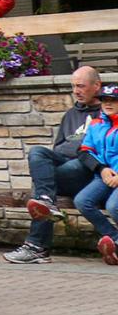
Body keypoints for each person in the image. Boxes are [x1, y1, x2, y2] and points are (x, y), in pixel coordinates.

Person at [8, 65, 104, 264]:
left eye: (81, 86)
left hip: (88, 171)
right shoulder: (71, 114)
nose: (76, 91)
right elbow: (58, 147)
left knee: (45, 186)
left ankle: (36, 247)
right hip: (65, 168)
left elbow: (98, 152)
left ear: (96, 86)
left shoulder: (107, 112)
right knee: (37, 153)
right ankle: (46, 203)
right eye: (73, 86)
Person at [73, 83, 118, 266]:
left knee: (114, 206)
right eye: (104, 100)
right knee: (82, 201)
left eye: (113, 100)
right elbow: (85, 151)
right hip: (104, 175)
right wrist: (102, 169)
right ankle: (115, 239)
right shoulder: (96, 124)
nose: (108, 104)